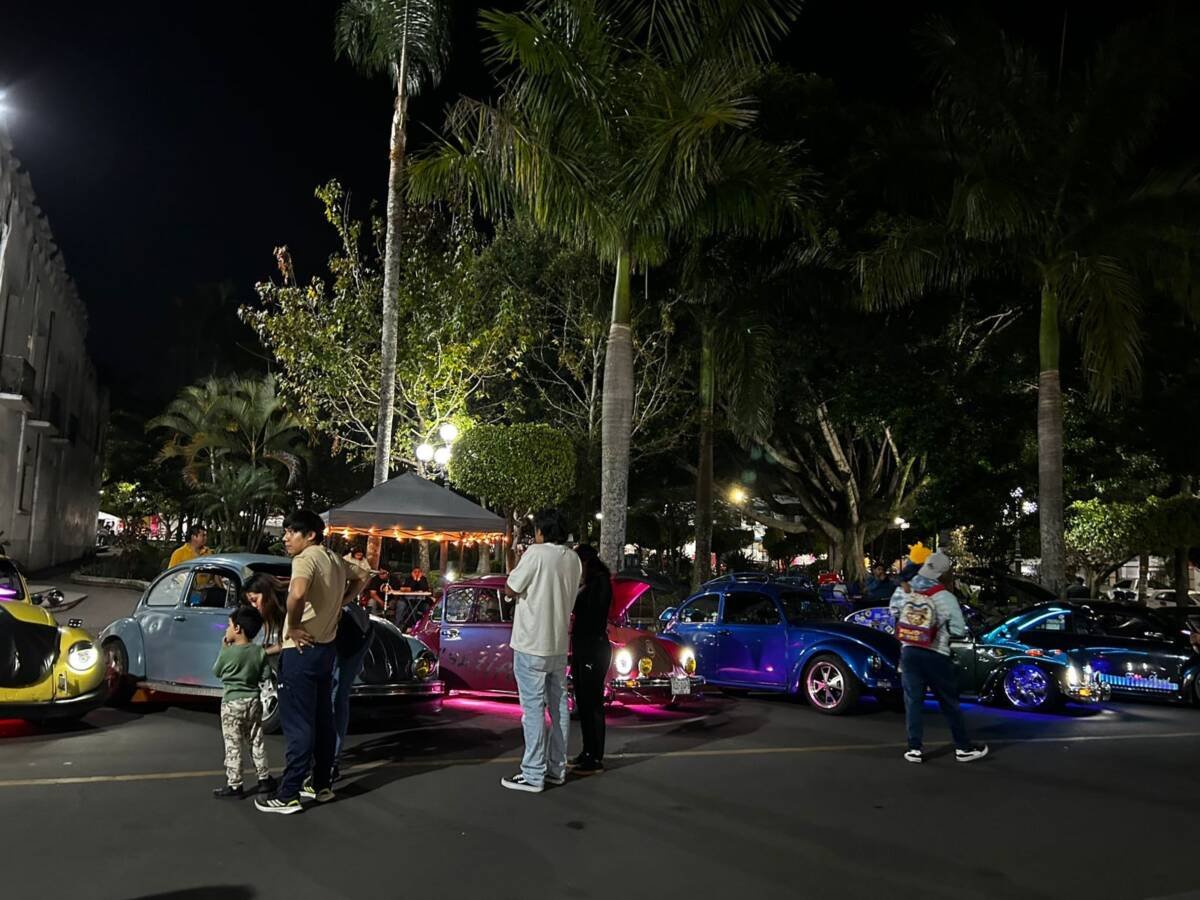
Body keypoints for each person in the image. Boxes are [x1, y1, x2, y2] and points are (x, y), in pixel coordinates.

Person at [255, 510, 368, 815]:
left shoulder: (305, 559)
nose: (286, 538)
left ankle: (289, 793)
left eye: (292, 532)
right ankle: (320, 784)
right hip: (325, 650)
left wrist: (292, 625)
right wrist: (342, 601)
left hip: (300, 650)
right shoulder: (333, 559)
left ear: (310, 535)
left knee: (298, 724)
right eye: (286, 532)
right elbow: (363, 574)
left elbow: (297, 593)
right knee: (323, 720)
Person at [500, 508, 582, 793]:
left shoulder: (535, 554)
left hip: (531, 642)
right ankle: (556, 768)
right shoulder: (573, 559)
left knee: (533, 709)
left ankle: (533, 773)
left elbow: (510, 588)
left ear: (541, 531)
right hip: (557, 644)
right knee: (559, 707)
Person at [890, 551, 988, 764]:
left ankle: (914, 749)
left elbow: (894, 611)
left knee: (913, 702)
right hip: (936, 654)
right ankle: (963, 748)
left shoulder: (905, 589)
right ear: (944, 574)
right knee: (949, 702)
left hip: (909, 652)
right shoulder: (946, 597)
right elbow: (958, 629)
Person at [212, 605, 275, 799]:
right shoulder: (259, 652)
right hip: (253, 701)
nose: (226, 629)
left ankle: (235, 785)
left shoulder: (228, 652)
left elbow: (216, 671)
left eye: (229, 625)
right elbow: (265, 675)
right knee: (256, 740)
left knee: (233, 744)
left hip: (231, 703)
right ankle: (264, 779)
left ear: (238, 629)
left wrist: (224, 649)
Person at [571, 544, 612, 774]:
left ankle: (595, 756)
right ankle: (587, 751)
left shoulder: (599, 583)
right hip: (584, 647)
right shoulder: (589, 583)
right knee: (583, 702)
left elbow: (592, 613)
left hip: (593, 648)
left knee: (592, 701)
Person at [243, 573, 286, 657]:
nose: (254, 606)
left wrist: (261, 654)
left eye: (254, 600)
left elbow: (286, 642)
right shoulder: (267, 615)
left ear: (266, 592)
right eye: (250, 603)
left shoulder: (288, 607)